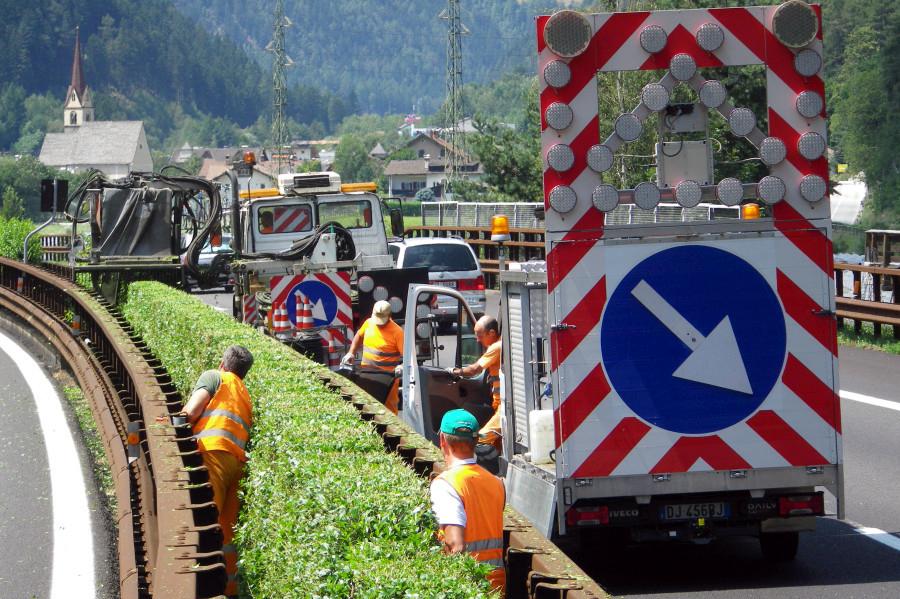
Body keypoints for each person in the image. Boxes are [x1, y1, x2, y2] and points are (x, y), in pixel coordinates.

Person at [183, 345, 254, 597]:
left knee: (206, 525)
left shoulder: (215, 377)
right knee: (225, 529)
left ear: (223, 363)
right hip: (236, 466)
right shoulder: (245, 393)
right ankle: (229, 589)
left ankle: (202, 588)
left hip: (212, 454)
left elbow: (191, 412)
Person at [430, 408, 506, 593]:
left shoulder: (445, 485)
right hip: (496, 582)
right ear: (476, 441)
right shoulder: (497, 483)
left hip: (468, 584)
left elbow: (455, 545)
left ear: (442, 440)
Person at [451, 315, 502, 452]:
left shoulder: (496, 347)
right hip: (499, 405)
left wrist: (455, 372)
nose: (477, 340)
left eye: (480, 335)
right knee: (499, 443)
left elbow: (474, 370)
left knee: (482, 438)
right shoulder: (499, 345)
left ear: (491, 333)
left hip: (504, 406)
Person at [343, 300, 404, 414]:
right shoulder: (368, 323)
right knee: (367, 407)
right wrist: (351, 352)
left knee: (388, 410)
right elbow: (358, 336)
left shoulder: (397, 332)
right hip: (367, 375)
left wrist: (402, 366)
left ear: (390, 316)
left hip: (387, 381)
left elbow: (408, 356)